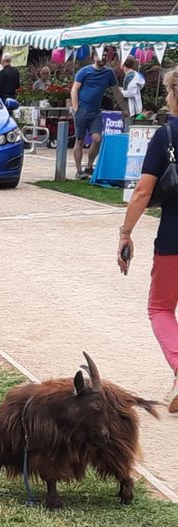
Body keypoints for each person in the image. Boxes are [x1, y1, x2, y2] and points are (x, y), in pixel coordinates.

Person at [118, 67, 178, 413]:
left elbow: (143, 191)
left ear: (173, 95)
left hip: (174, 238)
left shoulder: (167, 135)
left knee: (161, 308)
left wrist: (126, 233)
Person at [70, 53, 118, 178]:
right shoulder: (84, 71)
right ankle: (79, 170)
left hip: (96, 111)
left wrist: (124, 108)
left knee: (97, 139)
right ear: (93, 56)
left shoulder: (109, 73)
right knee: (79, 140)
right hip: (82, 109)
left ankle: (89, 166)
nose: (103, 58)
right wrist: (76, 108)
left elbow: (116, 90)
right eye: (101, 55)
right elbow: (74, 89)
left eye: (106, 56)